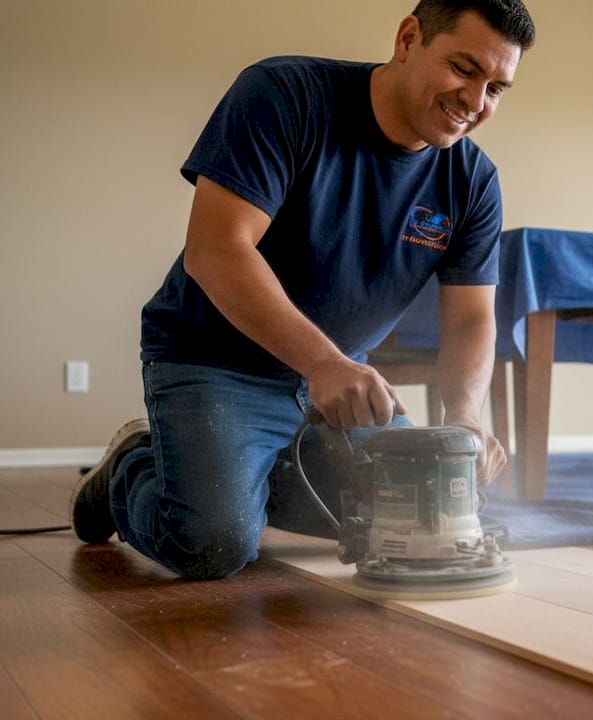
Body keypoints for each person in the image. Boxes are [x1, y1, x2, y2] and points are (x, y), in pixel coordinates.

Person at [68, 0, 535, 580]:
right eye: (464, 69)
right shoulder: (284, 94)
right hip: (214, 362)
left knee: (415, 516)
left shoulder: (474, 181)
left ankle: (246, 477)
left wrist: (464, 417)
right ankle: (131, 468)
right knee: (213, 543)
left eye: (496, 88)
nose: (475, 101)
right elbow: (216, 251)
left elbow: (470, 319)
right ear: (408, 38)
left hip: (340, 387)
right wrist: (323, 362)